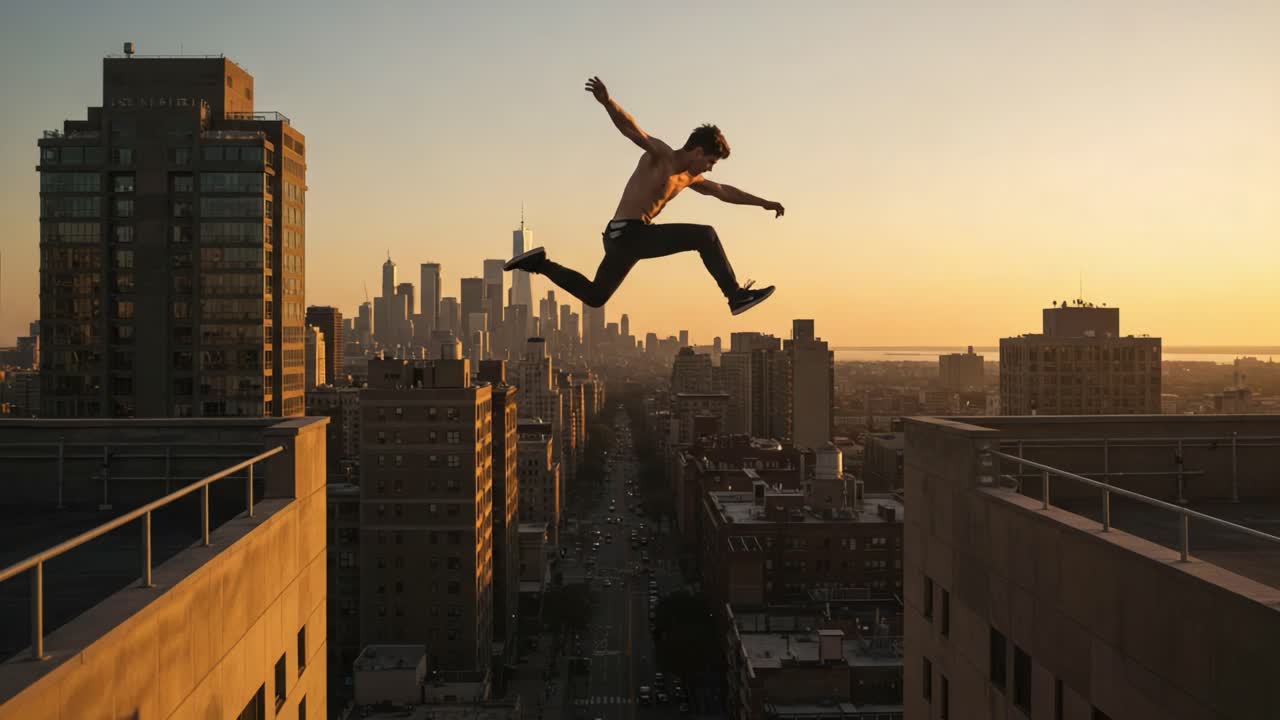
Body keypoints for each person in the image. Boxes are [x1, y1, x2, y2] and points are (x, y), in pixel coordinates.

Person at [505, 76, 784, 315]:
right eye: (711, 161)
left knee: (595, 296)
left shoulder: (690, 178)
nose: (710, 168)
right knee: (705, 235)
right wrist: (608, 102)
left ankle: (539, 263)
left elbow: (724, 192)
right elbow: (632, 129)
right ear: (698, 151)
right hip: (628, 234)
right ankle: (735, 296)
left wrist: (763, 203)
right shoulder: (662, 156)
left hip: (622, 239)